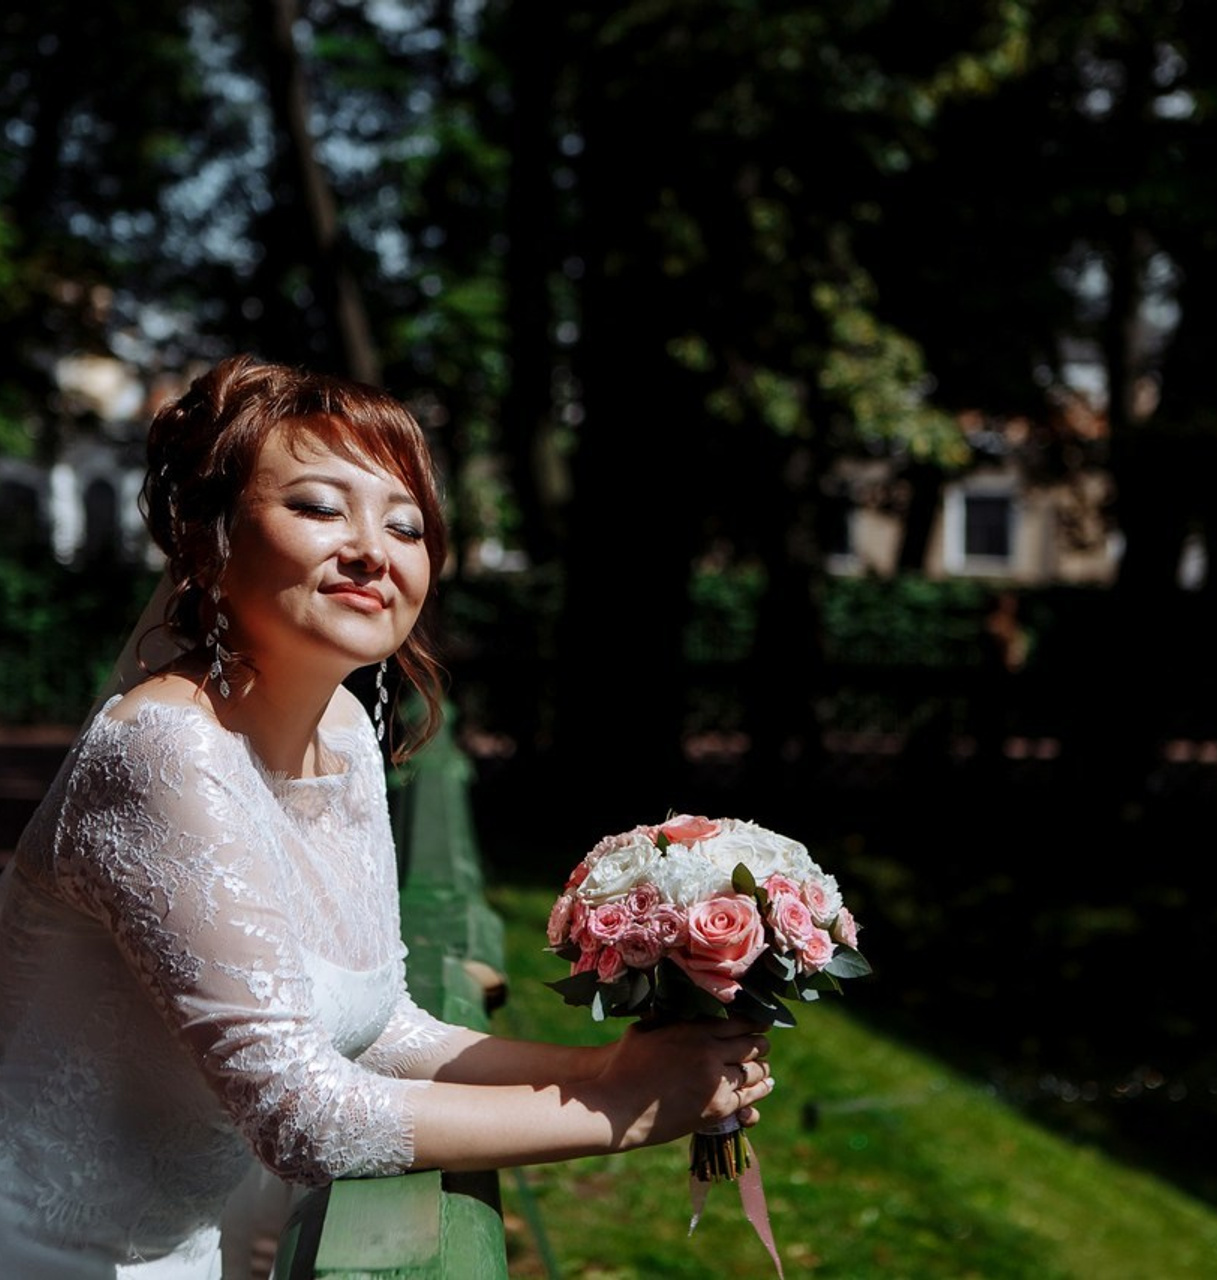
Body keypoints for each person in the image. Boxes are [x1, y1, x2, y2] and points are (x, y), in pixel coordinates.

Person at [0, 355, 774, 1279]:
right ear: (208, 539)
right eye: (321, 508)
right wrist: (624, 1114)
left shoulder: (344, 729)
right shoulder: (166, 750)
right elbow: (302, 1117)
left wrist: (604, 1067)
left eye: (405, 525)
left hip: (178, 1255)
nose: (374, 549)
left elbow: (382, 1026)